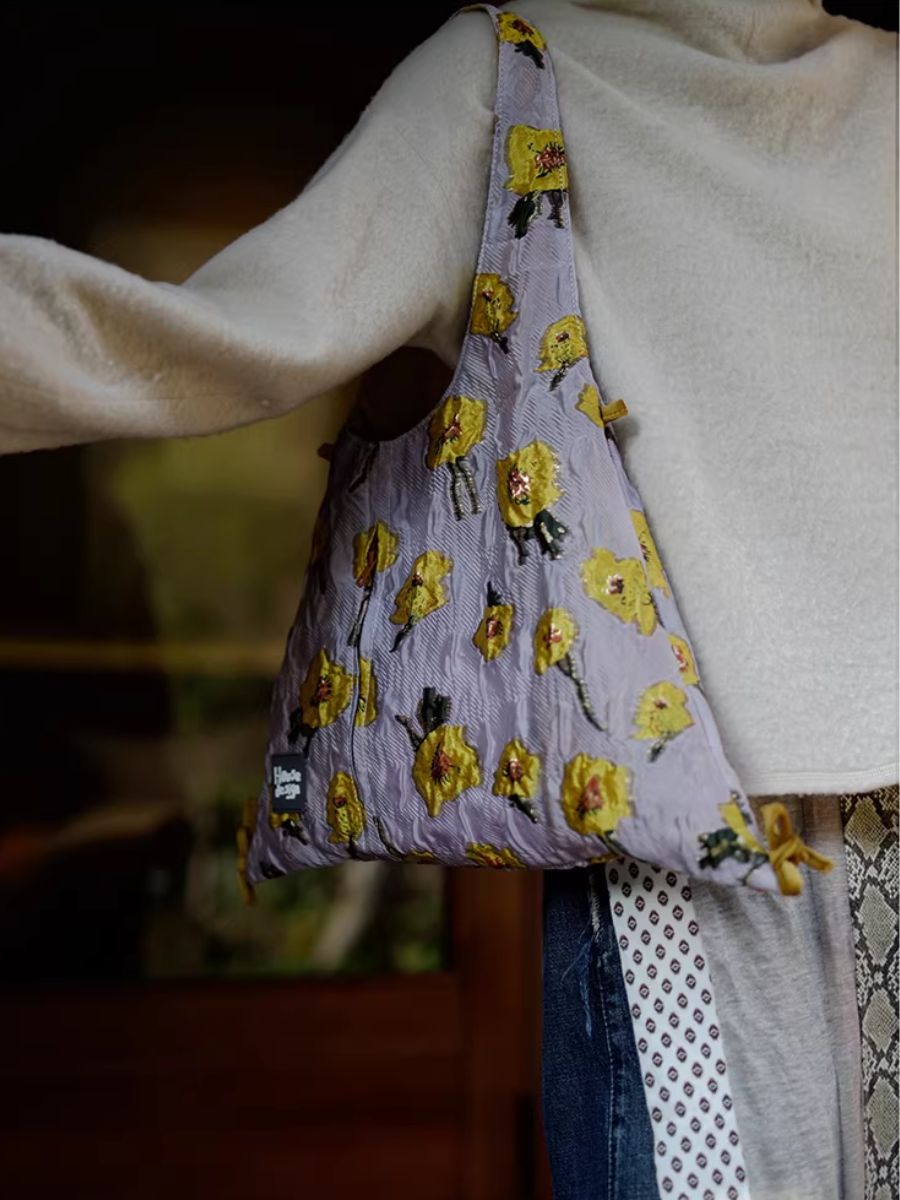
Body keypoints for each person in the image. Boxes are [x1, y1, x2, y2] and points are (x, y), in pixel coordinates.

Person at [1, 1, 896, 1197]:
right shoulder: (527, 78)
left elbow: (221, 342)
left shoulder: (515, 73)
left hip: (673, 845)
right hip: (676, 854)